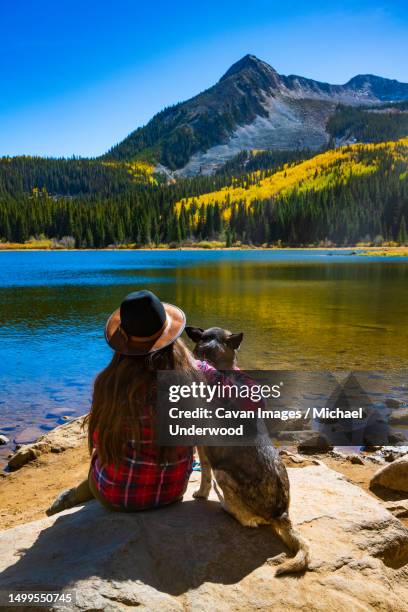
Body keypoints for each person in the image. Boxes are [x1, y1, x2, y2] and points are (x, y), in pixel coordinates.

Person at [47, 289, 201, 515]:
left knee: (98, 462)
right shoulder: (191, 377)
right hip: (174, 491)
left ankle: (67, 501)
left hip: (118, 499)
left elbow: (101, 444)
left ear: (124, 342)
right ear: (170, 337)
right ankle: (70, 498)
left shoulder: (109, 385)